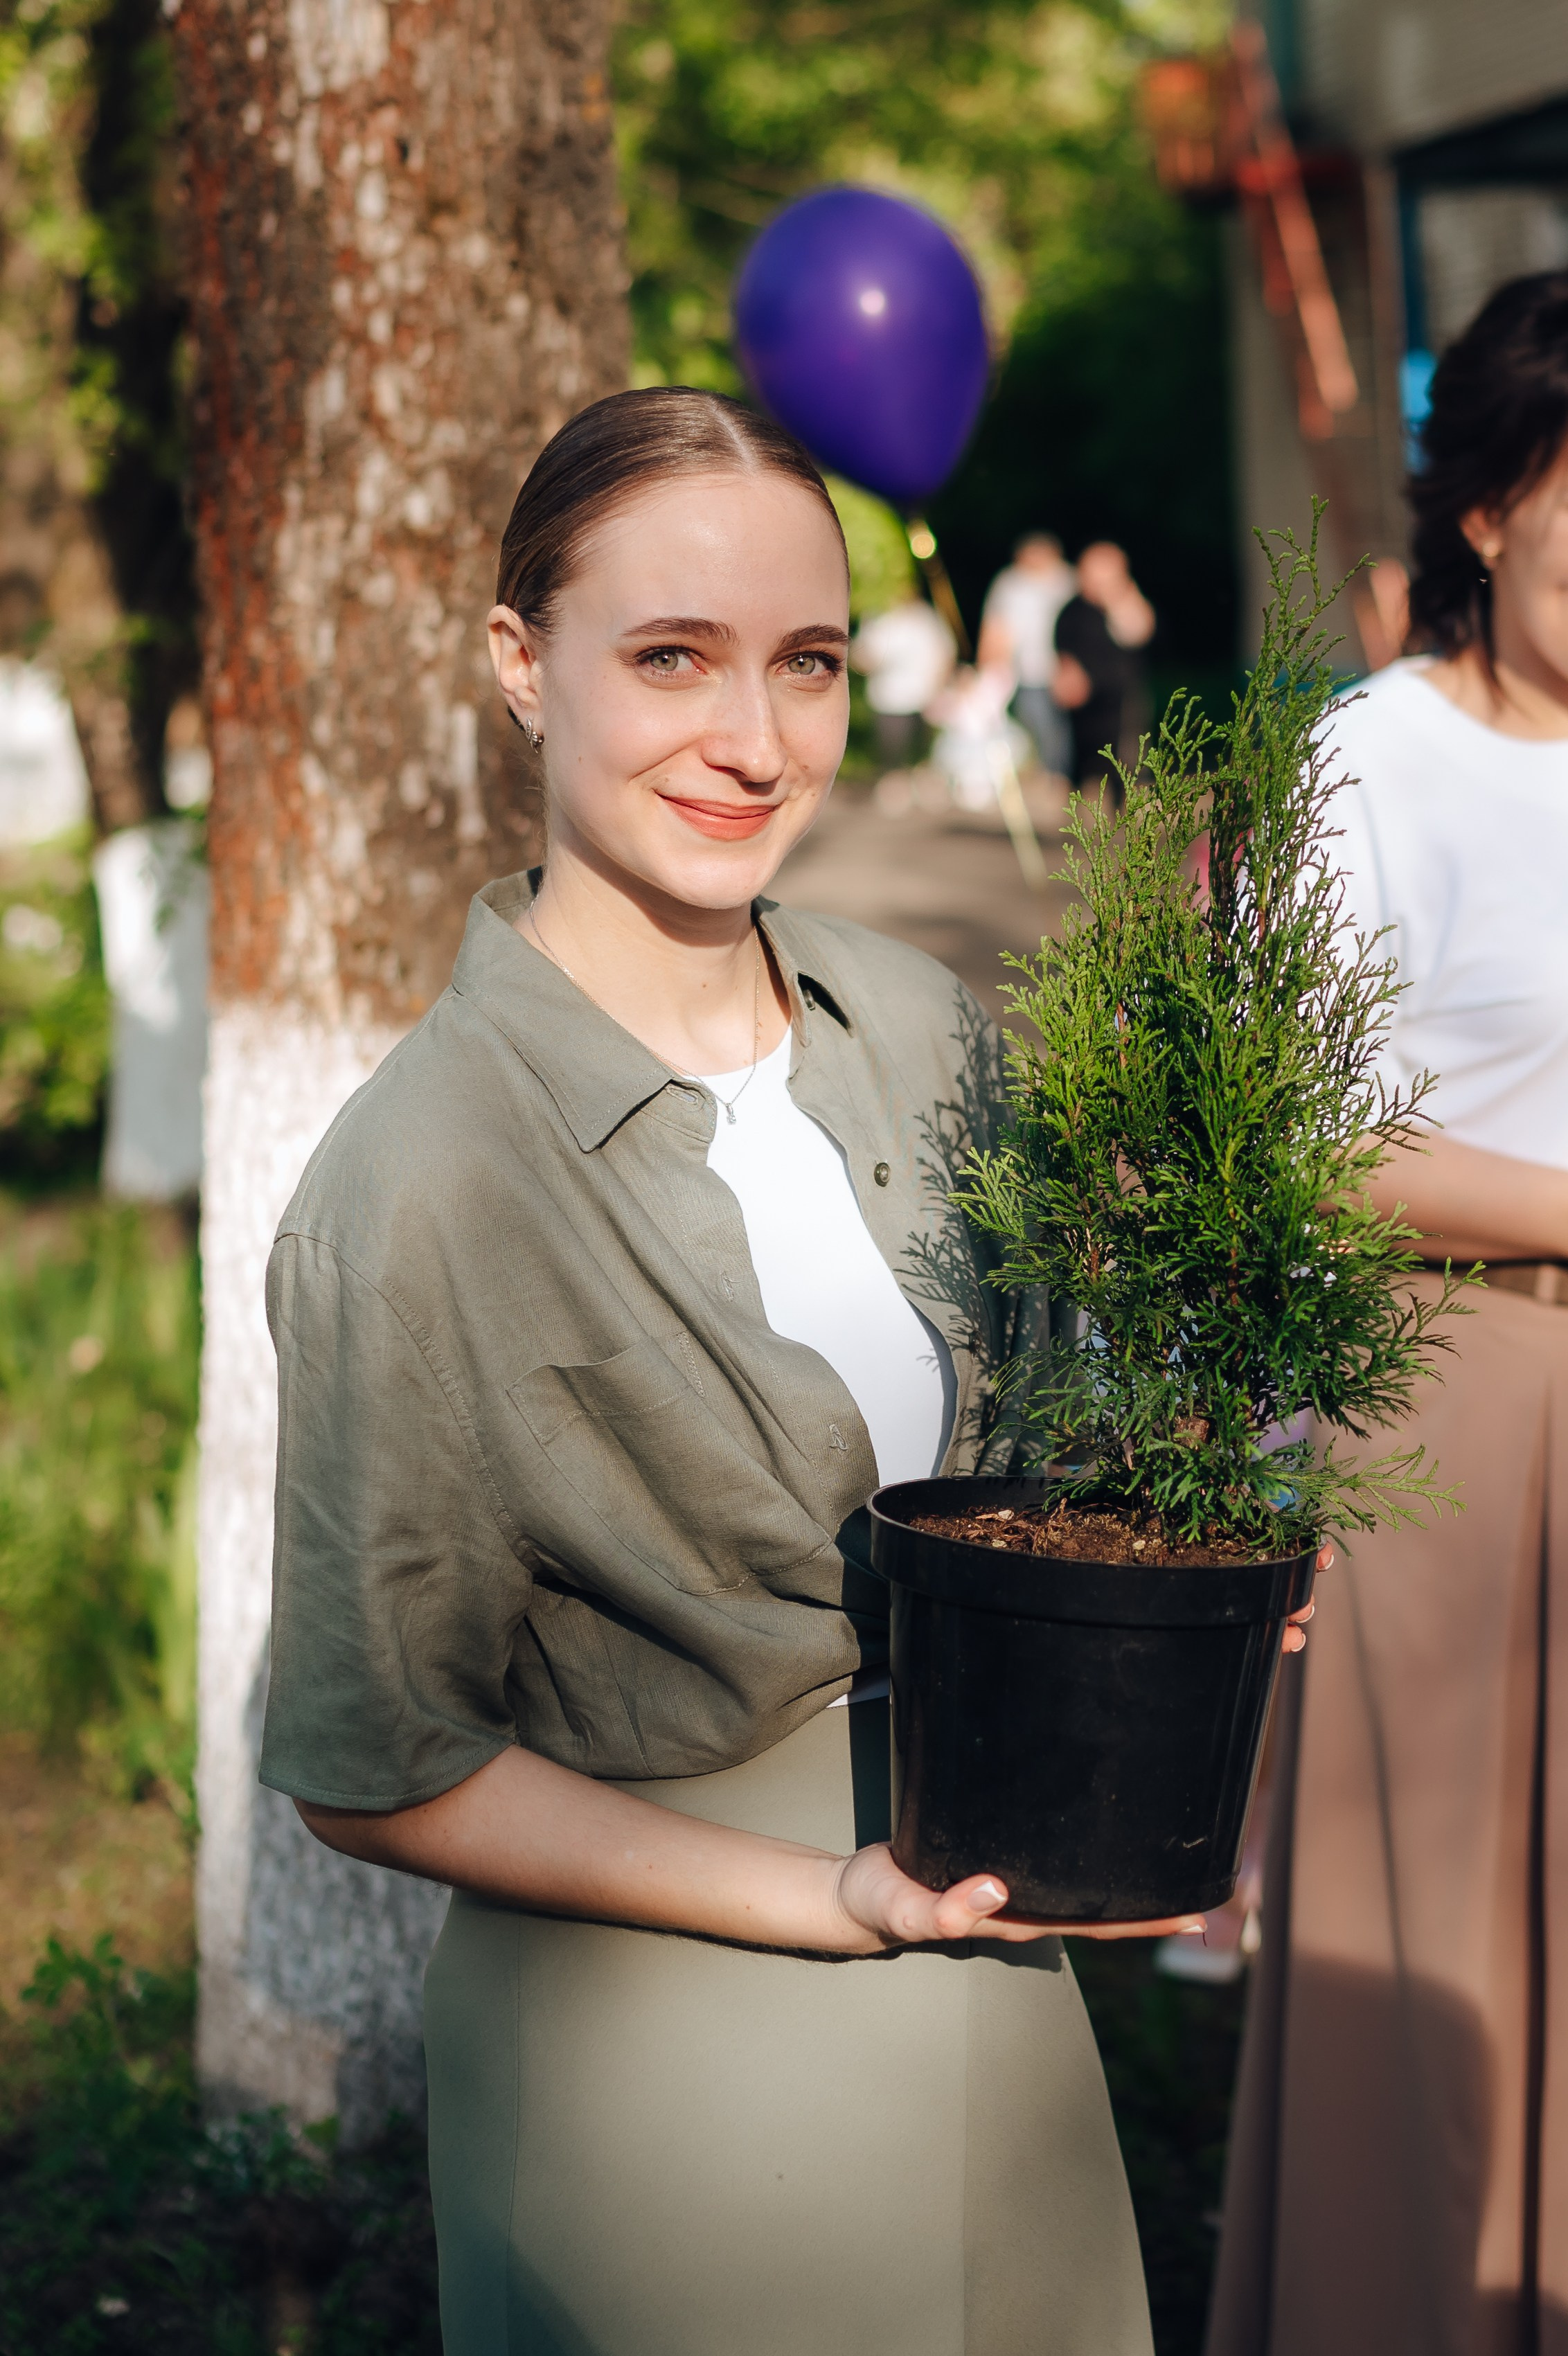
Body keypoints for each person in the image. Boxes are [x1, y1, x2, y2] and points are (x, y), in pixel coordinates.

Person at [256, 386, 1245, 2356]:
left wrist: (1162, 1578)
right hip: (668, 2056)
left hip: (991, 1958)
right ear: (521, 668)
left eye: (803, 663)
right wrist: (825, 1902)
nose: (757, 738)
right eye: (672, 659)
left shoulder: (914, 1021)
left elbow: (1023, 1456)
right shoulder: (418, 1186)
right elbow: (379, 1772)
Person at [1206, 271, 1568, 2356]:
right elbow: (1301, 1154)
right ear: (1492, 508)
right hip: (1442, 1393)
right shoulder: (1374, 769)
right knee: (1421, 1995)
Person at [1051, 542, 1155, 803]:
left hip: (1120, 696)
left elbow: (1138, 632)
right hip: (1085, 697)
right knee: (1082, 756)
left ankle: (1122, 806)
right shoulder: (1072, 610)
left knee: (1124, 755)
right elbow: (1063, 648)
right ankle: (1076, 809)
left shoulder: (1124, 603)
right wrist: (1068, 676)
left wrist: (1117, 597)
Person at [978, 530, 1077, 775]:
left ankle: (1068, 775)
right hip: (1025, 671)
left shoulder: (1068, 581)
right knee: (1036, 723)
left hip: (1063, 668)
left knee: (1066, 728)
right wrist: (988, 664)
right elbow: (995, 625)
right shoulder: (1009, 583)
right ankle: (1052, 773)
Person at [848, 590, 954, 769]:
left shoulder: (926, 617)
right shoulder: (876, 617)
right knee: (893, 754)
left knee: (922, 755)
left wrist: (939, 689)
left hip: (924, 699)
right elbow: (860, 659)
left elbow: (947, 653)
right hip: (889, 701)